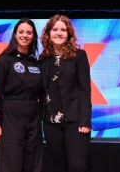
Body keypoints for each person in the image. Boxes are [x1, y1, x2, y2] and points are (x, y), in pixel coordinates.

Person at [0, 18, 45, 172]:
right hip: (11, 118)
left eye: (29, 32)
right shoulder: (4, 61)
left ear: (33, 36)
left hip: (33, 119)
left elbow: (43, 93)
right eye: (21, 32)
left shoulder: (36, 64)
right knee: (11, 162)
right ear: (15, 35)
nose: (25, 35)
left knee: (33, 162)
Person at [39, 15, 92, 172]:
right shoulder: (43, 59)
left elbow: (84, 89)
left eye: (63, 30)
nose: (59, 33)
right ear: (48, 34)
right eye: (55, 29)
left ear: (69, 34)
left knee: (77, 166)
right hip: (50, 122)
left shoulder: (79, 55)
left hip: (75, 122)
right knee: (59, 166)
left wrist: (85, 121)